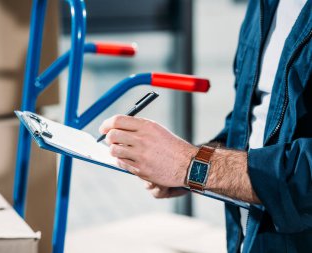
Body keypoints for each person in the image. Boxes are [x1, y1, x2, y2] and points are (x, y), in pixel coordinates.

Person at [98, 0, 312, 252]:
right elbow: (249, 123)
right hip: (249, 239)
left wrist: (189, 164)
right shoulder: (264, 6)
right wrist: (181, 165)